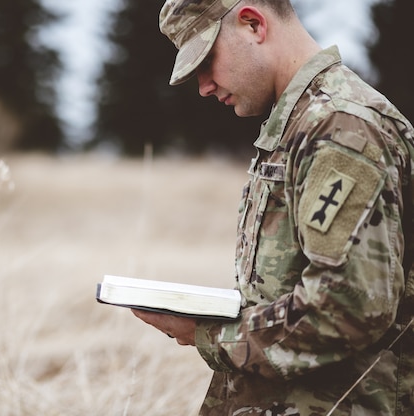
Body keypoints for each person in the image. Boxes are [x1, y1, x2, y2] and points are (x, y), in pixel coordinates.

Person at [131, 0, 414, 414]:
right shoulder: (301, 123)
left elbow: (348, 307)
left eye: (207, 59)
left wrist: (209, 333)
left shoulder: (341, 127)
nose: (204, 85)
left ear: (252, 23)